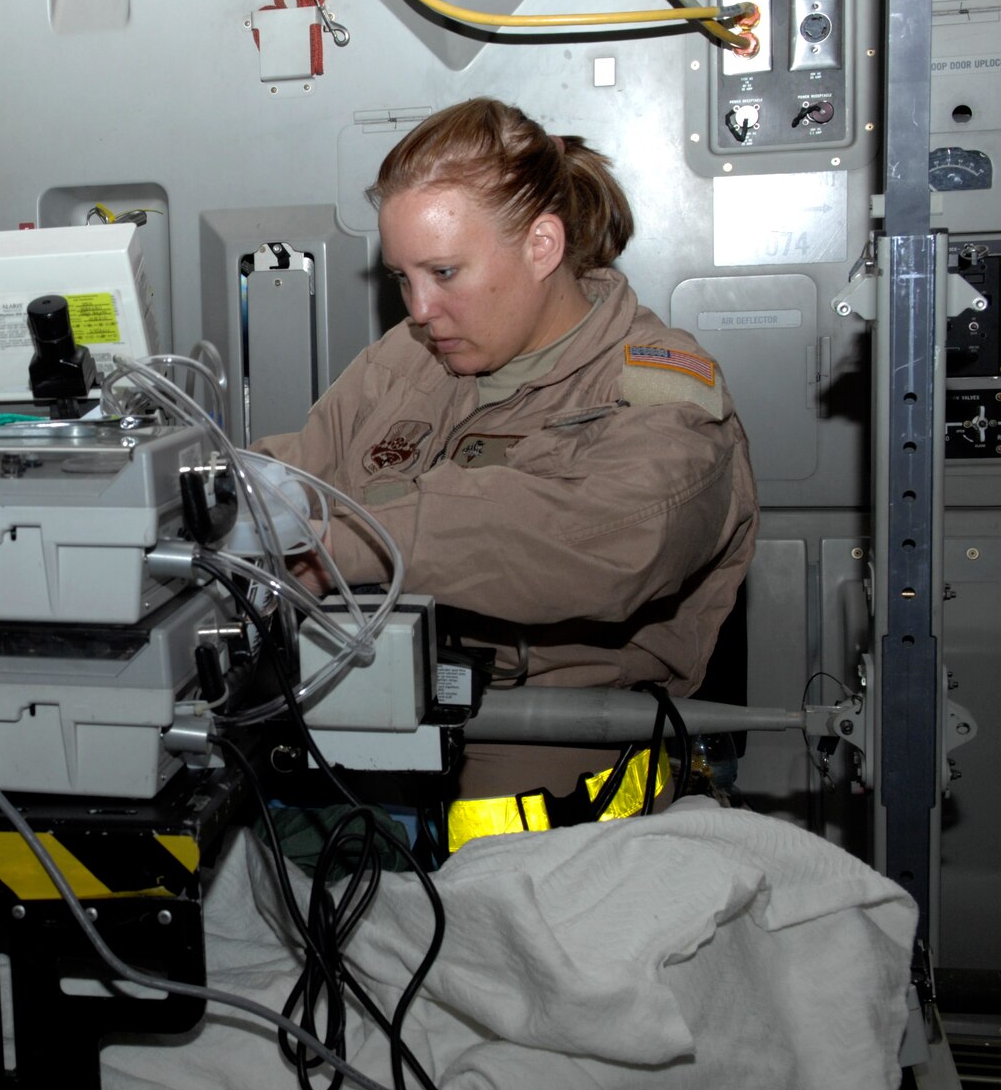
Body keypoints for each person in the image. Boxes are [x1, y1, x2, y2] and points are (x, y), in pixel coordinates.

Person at [254, 97, 758, 847]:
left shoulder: (658, 389)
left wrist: (347, 545)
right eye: (403, 277)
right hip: (358, 789)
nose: (421, 308)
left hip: (565, 837)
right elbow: (307, 463)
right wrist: (212, 490)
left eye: (445, 272)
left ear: (542, 245)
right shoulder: (410, 359)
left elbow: (611, 539)